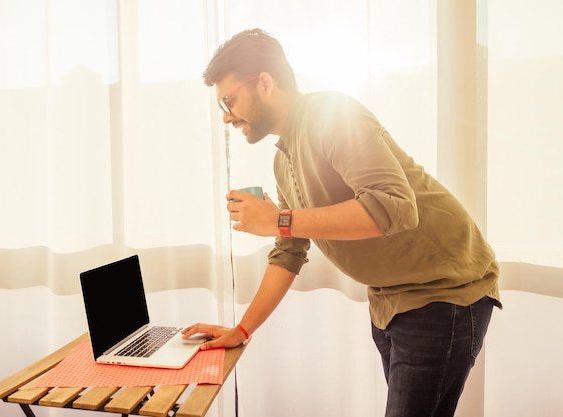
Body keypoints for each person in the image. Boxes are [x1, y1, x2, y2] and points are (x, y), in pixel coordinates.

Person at [181, 28, 501, 417]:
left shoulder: (332, 116)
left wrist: (279, 219)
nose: (228, 117)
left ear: (264, 83)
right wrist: (242, 329)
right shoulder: (284, 161)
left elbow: (395, 206)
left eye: (229, 101)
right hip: (389, 301)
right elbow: (289, 251)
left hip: (442, 292)